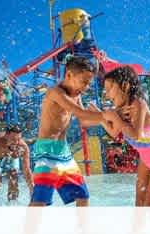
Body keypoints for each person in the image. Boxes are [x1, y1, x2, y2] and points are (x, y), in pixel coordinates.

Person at [29, 56, 104, 207]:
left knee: (82, 196)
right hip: (46, 150)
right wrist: (109, 115)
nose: (87, 87)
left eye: (89, 83)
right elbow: (81, 113)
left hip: (63, 151)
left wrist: (103, 120)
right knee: (40, 200)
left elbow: (84, 121)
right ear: (69, 75)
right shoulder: (56, 93)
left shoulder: (77, 95)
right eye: (84, 81)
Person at [98, 66, 150, 206]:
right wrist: (102, 118)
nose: (107, 95)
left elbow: (137, 135)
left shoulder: (138, 103)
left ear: (125, 86)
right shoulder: (120, 111)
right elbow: (114, 133)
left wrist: (116, 118)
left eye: (109, 89)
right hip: (146, 159)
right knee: (139, 201)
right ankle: (138, 228)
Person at [0, 125, 33, 206]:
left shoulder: (23, 147)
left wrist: (32, 188)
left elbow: (27, 170)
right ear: (6, 136)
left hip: (10, 154)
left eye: (19, 139)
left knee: (14, 175)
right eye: (13, 139)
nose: (16, 142)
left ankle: (12, 203)